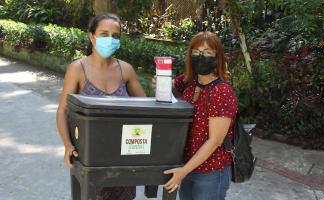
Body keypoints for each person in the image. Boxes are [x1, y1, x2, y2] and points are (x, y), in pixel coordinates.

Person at [56, 13, 145, 200]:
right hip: (89, 156)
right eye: (104, 34)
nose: (110, 39)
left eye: (115, 35)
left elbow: (145, 108)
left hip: (123, 157)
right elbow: (63, 110)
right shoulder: (77, 68)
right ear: (91, 36)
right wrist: (67, 145)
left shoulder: (125, 70)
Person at [162, 31, 238, 200]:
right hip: (187, 166)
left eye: (207, 53)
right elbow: (171, 86)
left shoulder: (221, 91)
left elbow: (215, 141)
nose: (200, 57)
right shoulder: (190, 80)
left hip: (210, 172)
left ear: (217, 57)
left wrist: (183, 171)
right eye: (195, 52)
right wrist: (161, 82)